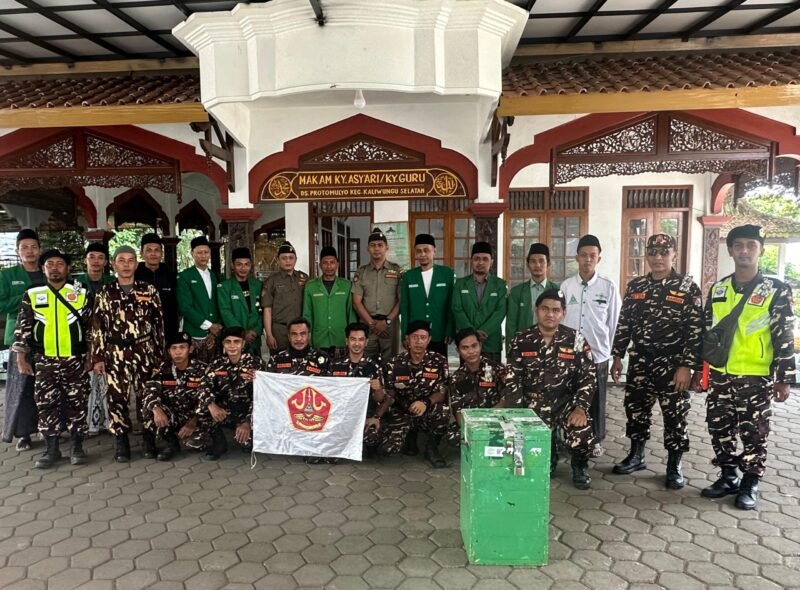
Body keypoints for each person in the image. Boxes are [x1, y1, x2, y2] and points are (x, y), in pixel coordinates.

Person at [701, 224, 795, 510]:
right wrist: (699, 370)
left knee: (754, 431)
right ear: (730, 250)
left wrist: (784, 377)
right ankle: (728, 475)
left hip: (755, 376)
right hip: (721, 374)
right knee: (719, 427)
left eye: (751, 245)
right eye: (739, 245)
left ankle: (750, 481)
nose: (744, 250)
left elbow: (784, 334)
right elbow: (707, 333)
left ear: (760, 250)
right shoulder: (718, 289)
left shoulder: (775, 290)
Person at [610, 234, 704, 489]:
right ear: (647, 255)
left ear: (674, 254)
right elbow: (625, 322)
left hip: (673, 367)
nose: (658, 258)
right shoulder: (637, 286)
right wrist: (617, 356)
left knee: (675, 415)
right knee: (636, 410)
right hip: (640, 361)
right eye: (653, 252)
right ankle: (637, 455)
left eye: (664, 252)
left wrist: (687, 366)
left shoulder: (687, 287)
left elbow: (695, 330)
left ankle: (674, 465)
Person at [502, 289, 597, 489]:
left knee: (581, 430)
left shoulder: (575, 339)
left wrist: (580, 408)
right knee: (521, 448)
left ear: (564, 313)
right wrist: (517, 412)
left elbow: (588, 376)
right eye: (545, 309)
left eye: (556, 310)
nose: (550, 314)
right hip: (532, 404)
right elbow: (513, 378)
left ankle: (580, 466)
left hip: (565, 403)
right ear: (536, 310)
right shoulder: (521, 339)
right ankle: (549, 455)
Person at [13, 250, 93, 469]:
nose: (55, 267)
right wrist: (21, 357)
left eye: (60, 263)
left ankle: (77, 447)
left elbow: (90, 326)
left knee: (77, 402)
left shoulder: (79, 290)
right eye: (50, 264)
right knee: (47, 403)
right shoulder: (33, 292)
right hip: (45, 360)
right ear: (43, 268)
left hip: (75, 359)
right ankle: (52, 449)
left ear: (67, 268)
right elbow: (23, 327)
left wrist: (91, 355)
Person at [92, 245, 164, 462]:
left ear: (136, 263)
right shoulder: (105, 292)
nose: (126, 264)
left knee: (147, 394)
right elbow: (97, 327)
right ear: (113, 264)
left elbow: (158, 323)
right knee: (116, 397)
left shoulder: (148, 290)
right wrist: (97, 357)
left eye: (130, 260)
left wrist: (160, 354)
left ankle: (149, 437)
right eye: (121, 260)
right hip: (115, 352)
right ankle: (121, 439)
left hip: (144, 350)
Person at [560, 234, 620, 456]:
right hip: (571, 355)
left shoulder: (608, 287)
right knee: (570, 396)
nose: (587, 260)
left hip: (598, 354)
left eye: (592, 256)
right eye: (583, 255)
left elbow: (614, 322)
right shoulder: (567, 286)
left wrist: (613, 354)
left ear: (599, 258)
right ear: (577, 257)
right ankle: (570, 435)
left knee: (596, 399)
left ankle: (596, 439)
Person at [381, 320, 450, 468]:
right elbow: (390, 394)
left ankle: (432, 447)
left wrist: (425, 402)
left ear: (429, 340)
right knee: (389, 448)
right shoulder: (394, 363)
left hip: (427, 409)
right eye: (414, 337)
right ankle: (410, 434)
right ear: (407, 339)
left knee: (443, 410)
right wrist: (377, 416)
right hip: (403, 411)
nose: (419, 342)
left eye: (423, 337)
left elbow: (442, 392)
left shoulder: (439, 361)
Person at [265, 318, 330, 464]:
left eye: (303, 334)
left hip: (312, 415)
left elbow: (331, 391)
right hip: (284, 415)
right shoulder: (277, 359)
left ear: (309, 335)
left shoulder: (322, 359)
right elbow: (268, 390)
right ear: (288, 336)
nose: (299, 339)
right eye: (294, 334)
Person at [0, 229, 42, 451]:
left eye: (33, 246)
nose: (29, 251)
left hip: (46, 338)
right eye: (24, 247)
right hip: (18, 339)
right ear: (18, 252)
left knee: (45, 386)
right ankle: (22, 433)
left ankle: (47, 427)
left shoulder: (47, 272)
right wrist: (27, 295)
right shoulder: (7, 275)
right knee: (20, 388)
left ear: (40, 250)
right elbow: (1, 304)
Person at [198, 327, 266, 460]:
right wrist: (212, 405)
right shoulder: (216, 364)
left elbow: (263, 397)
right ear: (223, 344)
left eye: (236, 341)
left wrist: (248, 422)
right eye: (228, 342)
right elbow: (203, 386)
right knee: (203, 408)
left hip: (248, 411)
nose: (232, 345)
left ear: (243, 344)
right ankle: (219, 442)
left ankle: (246, 432)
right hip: (225, 411)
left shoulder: (256, 364)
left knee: (247, 445)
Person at [140, 331, 207, 461]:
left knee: (195, 443)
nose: (178, 352)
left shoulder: (202, 369)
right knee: (149, 408)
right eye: (174, 348)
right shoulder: (162, 368)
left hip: (194, 417)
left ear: (190, 349)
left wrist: (193, 422)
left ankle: (186, 437)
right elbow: (149, 391)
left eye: (182, 347)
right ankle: (170, 441)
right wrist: (157, 410)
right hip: (171, 415)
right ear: (168, 351)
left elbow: (209, 399)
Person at [73, 242, 114, 435]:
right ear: (85, 260)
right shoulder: (75, 284)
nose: (96, 261)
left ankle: (108, 421)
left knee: (106, 378)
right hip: (83, 338)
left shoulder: (112, 281)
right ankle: (87, 423)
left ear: (105, 261)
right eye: (92, 257)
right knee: (86, 381)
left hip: (108, 338)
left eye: (100, 257)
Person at [329, 322, 390, 453]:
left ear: (366, 342)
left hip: (364, 416)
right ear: (347, 341)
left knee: (372, 436)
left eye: (361, 340)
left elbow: (381, 399)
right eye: (353, 339)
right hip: (339, 416)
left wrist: (378, 388)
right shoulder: (335, 365)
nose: (357, 344)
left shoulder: (374, 366)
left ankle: (363, 446)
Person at [447, 327, 507, 444]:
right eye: (465, 348)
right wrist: (468, 430)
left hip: (495, 417)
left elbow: (506, 399)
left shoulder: (497, 369)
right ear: (458, 351)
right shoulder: (456, 378)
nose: (471, 351)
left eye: (474, 346)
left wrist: (488, 419)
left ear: (480, 345)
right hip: (471, 421)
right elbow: (458, 410)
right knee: (452, 436)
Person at [400, 234, 454, 357]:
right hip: (415, 334)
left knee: (439, 367)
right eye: (419, 251)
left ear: (434, 251)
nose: (422, 254)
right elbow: (404, 307)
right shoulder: (409, 276)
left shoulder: (447, 273)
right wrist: (404, 333)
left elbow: (451, 304)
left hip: (439, 332)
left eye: (426, 250)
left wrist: (450, 329)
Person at [451, 242, 507, 363]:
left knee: (491, 380)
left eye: (485, 259)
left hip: (490, 341)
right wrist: (472, 333)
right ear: (471, 261)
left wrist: (484, 331)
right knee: (466, 379)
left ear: (491, 262)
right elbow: (457, 309)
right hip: (467, 343)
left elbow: (500, 311)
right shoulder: (460, 284)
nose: (480, 262)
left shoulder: (500, 285)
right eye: (477, 259)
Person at [352, 228, 402, 360]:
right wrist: (372, 324)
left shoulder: (397, 271)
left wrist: (387, 321)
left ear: (386, 248)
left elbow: (401, 300)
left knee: (390, 363)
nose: (376, 249)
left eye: (380, 245)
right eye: (373, 245)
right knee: (366, 363)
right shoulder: (361, 272)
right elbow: (356, 301)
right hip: (368, 326)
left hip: (389, 326)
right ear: (367, 249)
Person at [303, 246, 355, 359]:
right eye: (325, 263)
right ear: (320, 265)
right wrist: (307, 337)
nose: (329, 266)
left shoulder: (347, 285)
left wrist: (352, 337)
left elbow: (351, 314)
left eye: (332, 262)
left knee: (340, 372)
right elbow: (307, 314)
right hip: (318, 339)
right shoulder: (311, 286)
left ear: (337, 264)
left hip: (341, 339)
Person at [177, 235, 222, 363]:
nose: (203, 256)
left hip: (214, 334)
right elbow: (185, 307)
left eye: (206, 252)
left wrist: (215, 329)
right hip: (195, 333)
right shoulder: (185, 276)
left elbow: (219, 303)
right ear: (192, 253)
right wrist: (209, 325)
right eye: (199, 253)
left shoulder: (215, 276)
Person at [261, 242, 308, 354]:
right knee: (279, 364)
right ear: (278, 260)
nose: (288, 261)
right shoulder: (271, 281)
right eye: (284, 258)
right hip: (280, 331)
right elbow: (267, 309)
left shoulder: (304, 278)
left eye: (291, 258)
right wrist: (269, 334)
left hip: (300, 331)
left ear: (296, 259)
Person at [506, 243, 559, 340]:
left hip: (550, 343)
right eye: (533, 261)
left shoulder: (557, 291)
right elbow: (511, 325)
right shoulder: (516, 292)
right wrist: (511, 352)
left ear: (548, 264)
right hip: (524, 344)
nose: (537, 265)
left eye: (541, 261)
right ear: (528, 265)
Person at [218, 247, 263, 356]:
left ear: (251, 265)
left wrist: (256, 331)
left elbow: (261, 310)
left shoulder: (257, 285)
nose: (243, 268)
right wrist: (242, 333)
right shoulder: (224, 287)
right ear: (232, 265)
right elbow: (226, 312)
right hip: (234, 339)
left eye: (246, 264)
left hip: (254, 339)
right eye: (239, 264)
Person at [135, 233, 179, 340]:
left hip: (167, 332)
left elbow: (175, 305)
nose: (153, 254)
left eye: (157, 250)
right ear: (142, 253)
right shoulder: (134, 275)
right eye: (149, 250)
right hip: (140, 332)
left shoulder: (170, 275)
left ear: (162, 253)